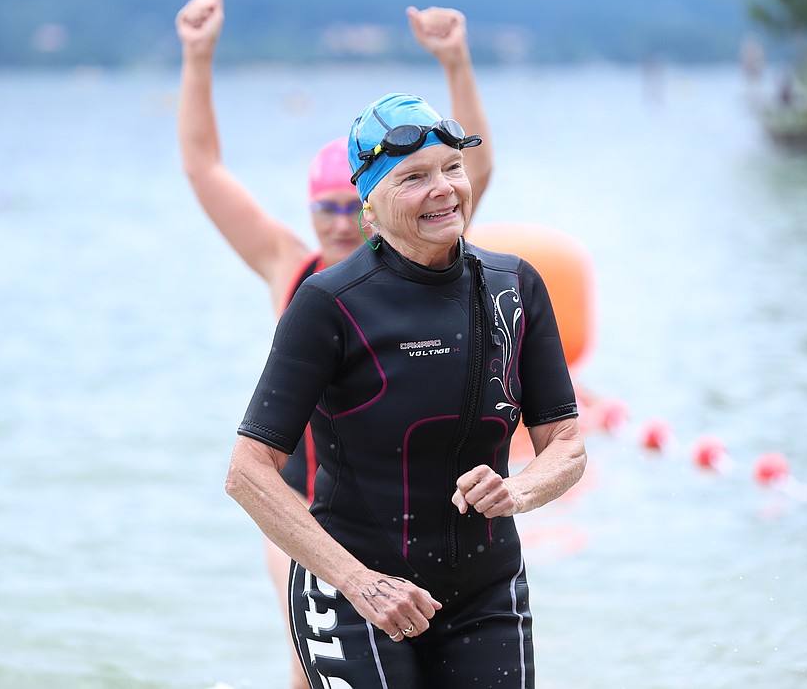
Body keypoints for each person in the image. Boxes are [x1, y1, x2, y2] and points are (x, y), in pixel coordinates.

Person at [176, 0, 495, 687]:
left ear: (380, 202)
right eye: (324, 209)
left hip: (412, 516)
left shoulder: (425, 262)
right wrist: (198, 58)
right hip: (305, 512)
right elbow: (206, 171)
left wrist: (456, 62)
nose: (340, 224)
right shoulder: (292, 273)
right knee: (308, 661)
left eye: (351, 208)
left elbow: (473, 167)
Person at [225, 93, 586, 687]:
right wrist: (360, 583)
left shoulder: (515, 286)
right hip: (357, 596)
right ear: (369, 206)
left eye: (451, 168)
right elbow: (248, 472)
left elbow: (567, 446)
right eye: (414, 177)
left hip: (486, 588)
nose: (443, 187)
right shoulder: (328, 303)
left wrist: (518, 492)